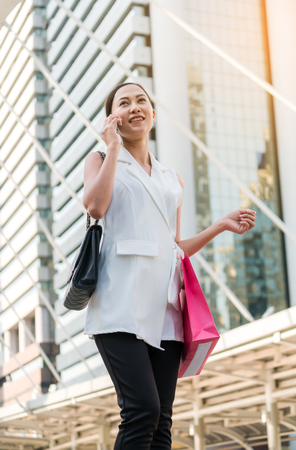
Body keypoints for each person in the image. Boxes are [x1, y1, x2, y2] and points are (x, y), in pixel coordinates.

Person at [82, 82, 256, 450]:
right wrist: (113, 146)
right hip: (119, 303)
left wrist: (219, 225)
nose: (134, 107)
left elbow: (173, 247)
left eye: (141, 100)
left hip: (165, 309)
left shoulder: (170, 178)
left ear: (153, 114)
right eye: (123, 103)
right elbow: (95, 208)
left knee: (161, 422)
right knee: (141, 409)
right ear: (113, 118)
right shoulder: (100, 159)